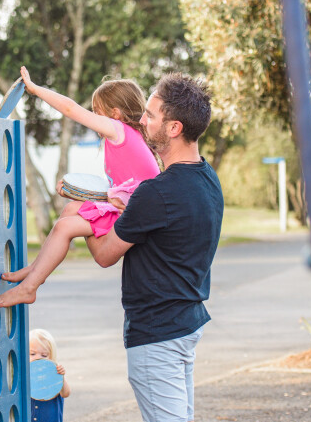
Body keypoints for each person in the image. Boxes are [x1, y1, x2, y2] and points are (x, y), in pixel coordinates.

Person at [85, 72, 223, 422]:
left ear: (174, 128)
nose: (141, 120)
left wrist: (83, 207)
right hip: (185, 325)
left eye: (150, 114)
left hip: (156, 335)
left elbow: (104, 254)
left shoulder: (155, 193)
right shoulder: (207, 178)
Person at [0, 66, 160, 308]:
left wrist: (36, 90)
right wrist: (76, 192)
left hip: (134, 213)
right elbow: (115, 190)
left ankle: (29, 288)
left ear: (115, 113)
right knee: (71, 208)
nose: (93, 117)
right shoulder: (133, 136)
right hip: (129, 206)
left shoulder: (117, 129)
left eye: (97, 112)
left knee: (63, 227)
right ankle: (36, 268)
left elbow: (71, 109)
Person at [29, 329, 71, 422]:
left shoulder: (55, 373)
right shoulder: (25, 375)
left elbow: (66, 393)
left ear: (51, 356)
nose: (38, 358)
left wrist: (62, 377)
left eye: (44, 355)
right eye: (32, 354)